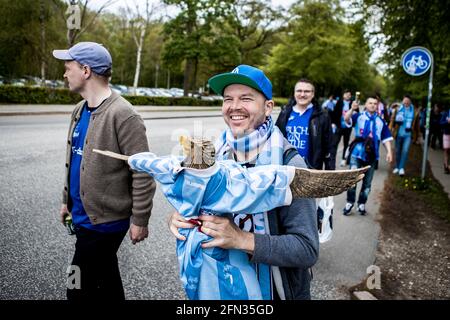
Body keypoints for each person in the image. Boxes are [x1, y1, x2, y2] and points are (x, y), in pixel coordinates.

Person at [169, 65, 319, 300]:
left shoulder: (291, 166)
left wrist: (241, 239)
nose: (234, 106)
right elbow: (194, 206)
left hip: (275, 292)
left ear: (268, 107)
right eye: (228, 98)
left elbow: (307, 249)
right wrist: (181, 217)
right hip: (222, 286)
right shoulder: (213, 156)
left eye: (246, 98)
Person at [53, 42, 156, 300]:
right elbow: (74, 161)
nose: (65, 74)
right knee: (105, 279)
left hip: (105, 222)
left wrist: (140, 220)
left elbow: (142, 172)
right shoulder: (79, 110)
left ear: (85, 70)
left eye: (68, 68)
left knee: (76, 287)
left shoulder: (124, 115)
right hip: (82, 215)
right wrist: (67, 201)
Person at [342, 95, 393, 216]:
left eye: (375, 103)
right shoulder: (358, 116)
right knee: (352, 180)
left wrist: (390, 152)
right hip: (357, 154)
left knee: (367, 184)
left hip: (372, 156)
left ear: (377, 106)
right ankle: (349, 202)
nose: (373, 105)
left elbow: (386, 138)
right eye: (370, 103)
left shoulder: (381, 121)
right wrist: (351, 109)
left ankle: (361, 204)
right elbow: (346, 119)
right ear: (365, 105)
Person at [275, 79, 334, 170]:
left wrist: (330, 173)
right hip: (286, 169)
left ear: (313, 94)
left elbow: (329, 147)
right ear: (294, 93)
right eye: (299, 91)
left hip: (311, 169)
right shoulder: (285, 113)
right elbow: (275, 139)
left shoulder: (322, 116)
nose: (302, 94)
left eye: (307, 91)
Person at [330, 89, 354, 167]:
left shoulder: (353, 104)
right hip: (339, 126)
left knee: (346, 143)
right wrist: (333, 123)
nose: (348, 95)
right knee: (334, 143)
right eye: (346, 94)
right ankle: (332, 159)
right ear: (343, 95)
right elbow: (334, 113)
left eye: (349, 94)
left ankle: (344, 159)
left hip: (347, 127)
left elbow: (355, 115)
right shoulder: (339, 102)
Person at [392, 95, 415, 176]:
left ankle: (401, 168)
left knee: (405, 150)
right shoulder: (399, 108)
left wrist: (417, 134)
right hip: (399, 133)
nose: (405, 103)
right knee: (398, 151)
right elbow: (392, 118)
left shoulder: (414, 110)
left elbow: (416, 124)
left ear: (410, 102)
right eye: (404, 101)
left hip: (408, 134)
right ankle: (397, 167)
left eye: (407, 101)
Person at [440, 106, 450, 174]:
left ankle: (448, 166)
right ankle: (446, 166)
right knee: (446, 150)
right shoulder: (446, 113)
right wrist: (447, 121)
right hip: (446, 134)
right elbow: (440, 123)